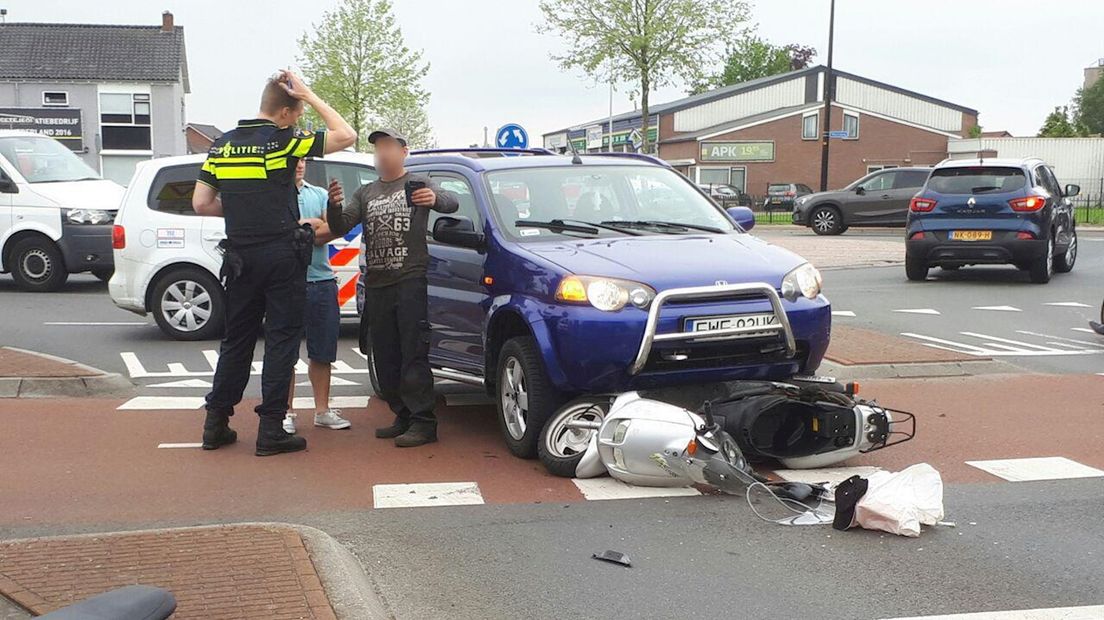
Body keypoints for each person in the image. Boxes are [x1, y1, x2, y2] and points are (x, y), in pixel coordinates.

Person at [193, 70, 357, 456]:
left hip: (240, 257)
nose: (299, 121)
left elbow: (201, 203)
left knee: (237, 341)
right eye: (297, 114)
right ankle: (271, 430)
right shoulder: (284, 141)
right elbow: (345, 135)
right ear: (285, 112)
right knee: (282, 339)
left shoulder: (222, 145)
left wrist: (242, 215)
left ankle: (215, 423)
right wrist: (311, 94)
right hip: (281, 255)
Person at [326, 129, 457, 447]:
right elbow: (340, 225)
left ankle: (424, 422)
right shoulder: (366, 192)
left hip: (409, 280)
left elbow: (452, 203)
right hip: (377, 284)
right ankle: (402, 414)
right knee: (385, 356)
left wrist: (435, 199)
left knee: (413, 353)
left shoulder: (420, 183)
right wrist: (334, 205)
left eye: (388, 146)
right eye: (378, 148)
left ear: (403, 151)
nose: (382, 153)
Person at [284, 159, 351, 434]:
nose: (299, 165)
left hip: (322, 280)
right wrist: (312, 226)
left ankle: (322, 410)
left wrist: (300, 229)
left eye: (302, 160)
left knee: (323, 351)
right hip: (285, 282)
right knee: (284, 352)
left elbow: (334, 229)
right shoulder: (274, 194)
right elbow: (279, 234)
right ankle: (284, 411)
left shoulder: (320, 194)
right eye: (293, 160)